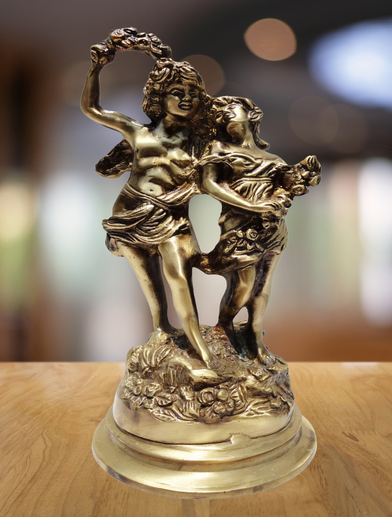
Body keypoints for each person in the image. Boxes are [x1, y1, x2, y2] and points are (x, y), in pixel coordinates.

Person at [81, 38, 215, 368]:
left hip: (173, 216)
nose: (186, 99)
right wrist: (96, 68)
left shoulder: (201, 141)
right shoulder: (138, 133)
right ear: (159, 97)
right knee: (149, 282)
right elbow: (93, 109)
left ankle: (200, 349)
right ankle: (162, 330)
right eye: (177, 92)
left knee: (179, 277)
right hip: (130, 215)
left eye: (192, 93)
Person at [199, 96, 320, 365]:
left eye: (231, 109)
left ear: (251, 115)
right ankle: (223, 327)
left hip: (273, 230)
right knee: (243, 286)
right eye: (220, 114)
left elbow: (288, 188)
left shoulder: (273, 159)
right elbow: (209, 184)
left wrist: (301, 179)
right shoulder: (218, 149)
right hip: (240, 229)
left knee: (263, 288)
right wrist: (252, 206)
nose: (225, 115)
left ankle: (255, 336)